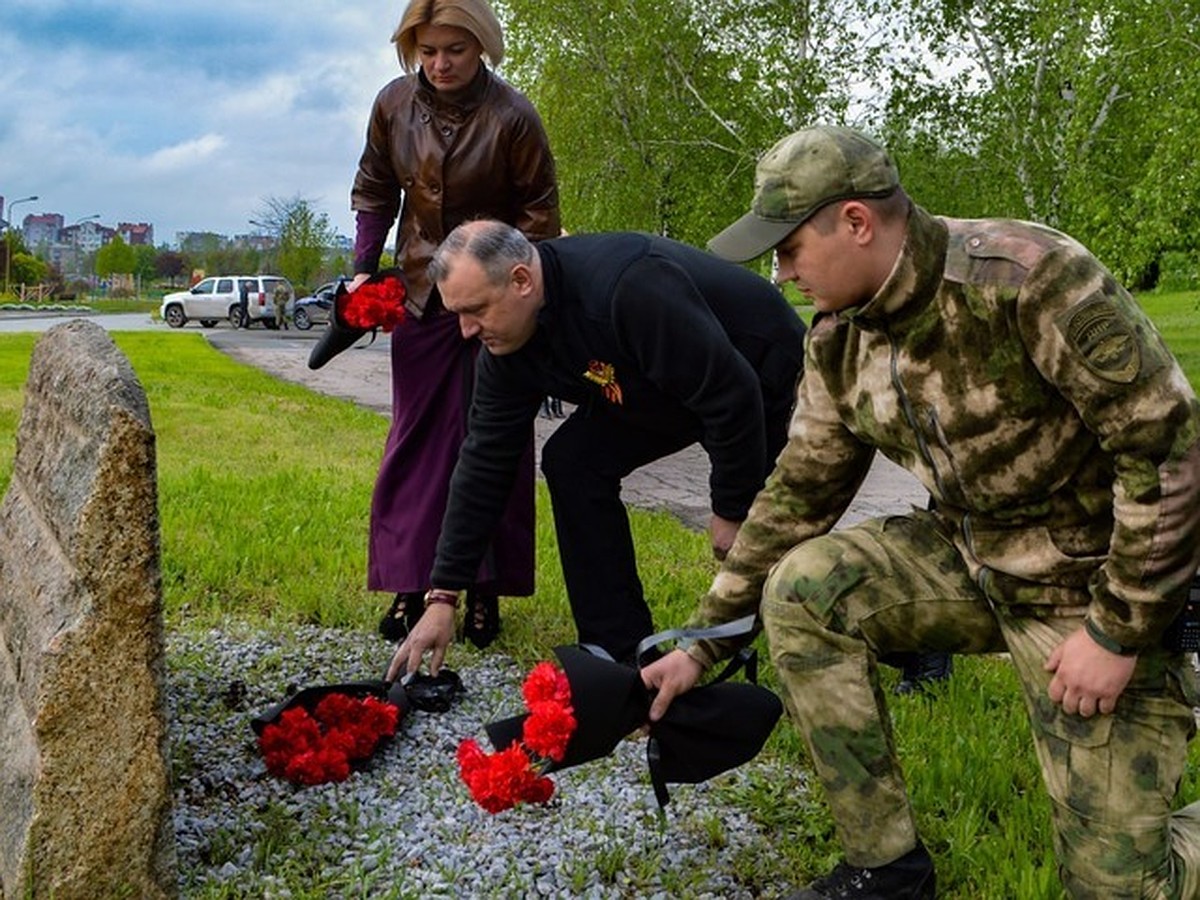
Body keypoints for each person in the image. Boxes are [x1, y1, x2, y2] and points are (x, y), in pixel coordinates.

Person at [640, 125, 1200, 899]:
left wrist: (1118, 630)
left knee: (1121, 888)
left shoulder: (1027, 280)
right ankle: (886, 869)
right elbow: (800, 491)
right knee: (805, 588)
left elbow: (1168, 452)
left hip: (1090, 583)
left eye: (791, 247)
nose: (783, 271)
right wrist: (702, 643)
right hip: (970, 561)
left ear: (856, 222)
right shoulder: (838, 338)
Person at [386, 218, 808, 681]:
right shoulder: (505, 348)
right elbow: (484, 463)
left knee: (779, 523)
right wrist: (444, 594)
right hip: (655, 386)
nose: (466, 330)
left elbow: (731, 394)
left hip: (762, 373)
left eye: (476, 310)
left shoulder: (627, 287)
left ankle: (885, 638)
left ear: (521, 280)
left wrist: (731, 507)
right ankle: (617, 648)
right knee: (573, 462)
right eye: (457, 314)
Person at [347, 0, 560, 649]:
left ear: (482, 47)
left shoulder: (514, 117)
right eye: (427, 50)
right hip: (419, 297)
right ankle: (413, 586)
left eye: (455, 50)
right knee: (417, 444)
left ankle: (485, 594)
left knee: (492, 440)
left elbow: (541, 216)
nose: (439, 63)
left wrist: (510, 291)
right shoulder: (392, 105)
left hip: (494, 302)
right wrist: (363, 269)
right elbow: (375, 189)